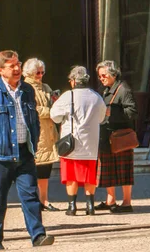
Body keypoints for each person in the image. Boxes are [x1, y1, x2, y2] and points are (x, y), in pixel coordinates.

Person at [0, 50, 54, 251]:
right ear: (0, 70)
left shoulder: (27, 90)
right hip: (0, 157)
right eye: (11, 66)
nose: (17, 69)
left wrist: (35, 140)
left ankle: (38, 235)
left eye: (18, 64)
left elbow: (33, 119)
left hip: (25, 153)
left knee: (30, 197)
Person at [50, 65, 106, 216]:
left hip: (71, 143)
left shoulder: (67, 96)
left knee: (71, 175)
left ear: (74, 81)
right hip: (91, 143)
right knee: (89, 175)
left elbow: (54, 116)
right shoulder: (96, 97)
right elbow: (101, 118)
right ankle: (90, 206)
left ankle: (72, 206)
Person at [96, 60, 138, 213]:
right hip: (107, 135)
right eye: (100, 76)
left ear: (113, 74)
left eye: (104, 75)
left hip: (120, 137)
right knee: (108, 170)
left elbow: (132, 112)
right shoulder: (106, 89)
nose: (101, 78)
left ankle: (127, 202)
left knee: (124, 170)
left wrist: (112, 113)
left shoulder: (123, 89)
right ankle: (110, 200)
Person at [23, 58, 59, 211]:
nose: (40, 75)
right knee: (33, 168)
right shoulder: (25, 87)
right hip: (36, 132)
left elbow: (54, 105)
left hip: (49, 131)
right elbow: (32, 109)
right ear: (30, 73)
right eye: (37, 72)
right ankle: (33, 201)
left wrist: (56, 101)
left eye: (42, 72)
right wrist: (52, 112)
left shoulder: (45, 87)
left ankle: (44, 200)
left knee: (45, 168)